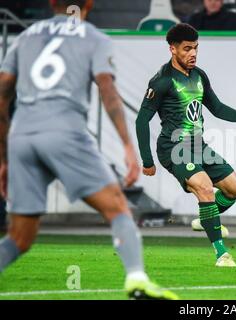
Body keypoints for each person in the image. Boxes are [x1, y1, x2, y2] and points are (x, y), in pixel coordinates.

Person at [0, 0, 178, 300]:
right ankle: (136, 279)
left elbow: (3, 93)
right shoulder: (94, 37)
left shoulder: (26, 36)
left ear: (51, 2)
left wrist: (4, 157)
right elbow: (107, 90)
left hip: (22, 137)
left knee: (19, 237)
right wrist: (126, 145)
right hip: (65, 132)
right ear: (90, 4)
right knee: (118, 208)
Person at [135, 23, 236, 267]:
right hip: (173, 147)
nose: (193, 54)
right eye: (187, 49)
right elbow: (142, 119)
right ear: (172, 49)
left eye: (196, 48)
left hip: (198, 145)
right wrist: (147, 160)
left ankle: (205, 218)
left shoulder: (199, 76)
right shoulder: (162, 81)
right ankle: (222, 254)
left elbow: (218, 108)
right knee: (206, 188)